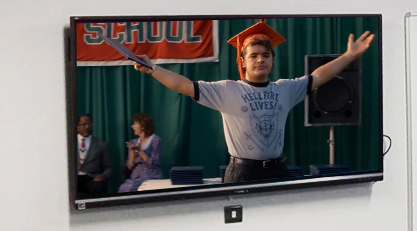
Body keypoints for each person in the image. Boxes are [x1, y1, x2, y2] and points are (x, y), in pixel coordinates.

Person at [130, 20, 373, 183]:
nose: (260, 60)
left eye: (266, 55)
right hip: (242, 172)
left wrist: (348, 56)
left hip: (278, 170)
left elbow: (319, 76)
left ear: (272, 61)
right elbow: (183, 85)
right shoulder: (227, 90)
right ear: (243, 61)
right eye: (253, 55)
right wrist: (153, 69)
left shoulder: (285, 89)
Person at [117, 112, 162, 193]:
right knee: (123, 188)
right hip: (136, 176)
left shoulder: (155, 140)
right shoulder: (133, 142)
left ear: (143, 126)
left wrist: (140, 151)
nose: (132, 126)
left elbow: (153, 164)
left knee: (131, 189)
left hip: (151, 175)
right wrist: (133, 151)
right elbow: (130, 166)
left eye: (135, 124)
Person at [74, 113, 112, 197]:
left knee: (98, 187)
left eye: (89, 124)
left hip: (92, 179)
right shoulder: (69, 143)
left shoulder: (101, 145)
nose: (87, 127)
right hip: (72, 179)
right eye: (84, 124)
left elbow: (108, 167)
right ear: (77, 127)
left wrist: (104, 175)